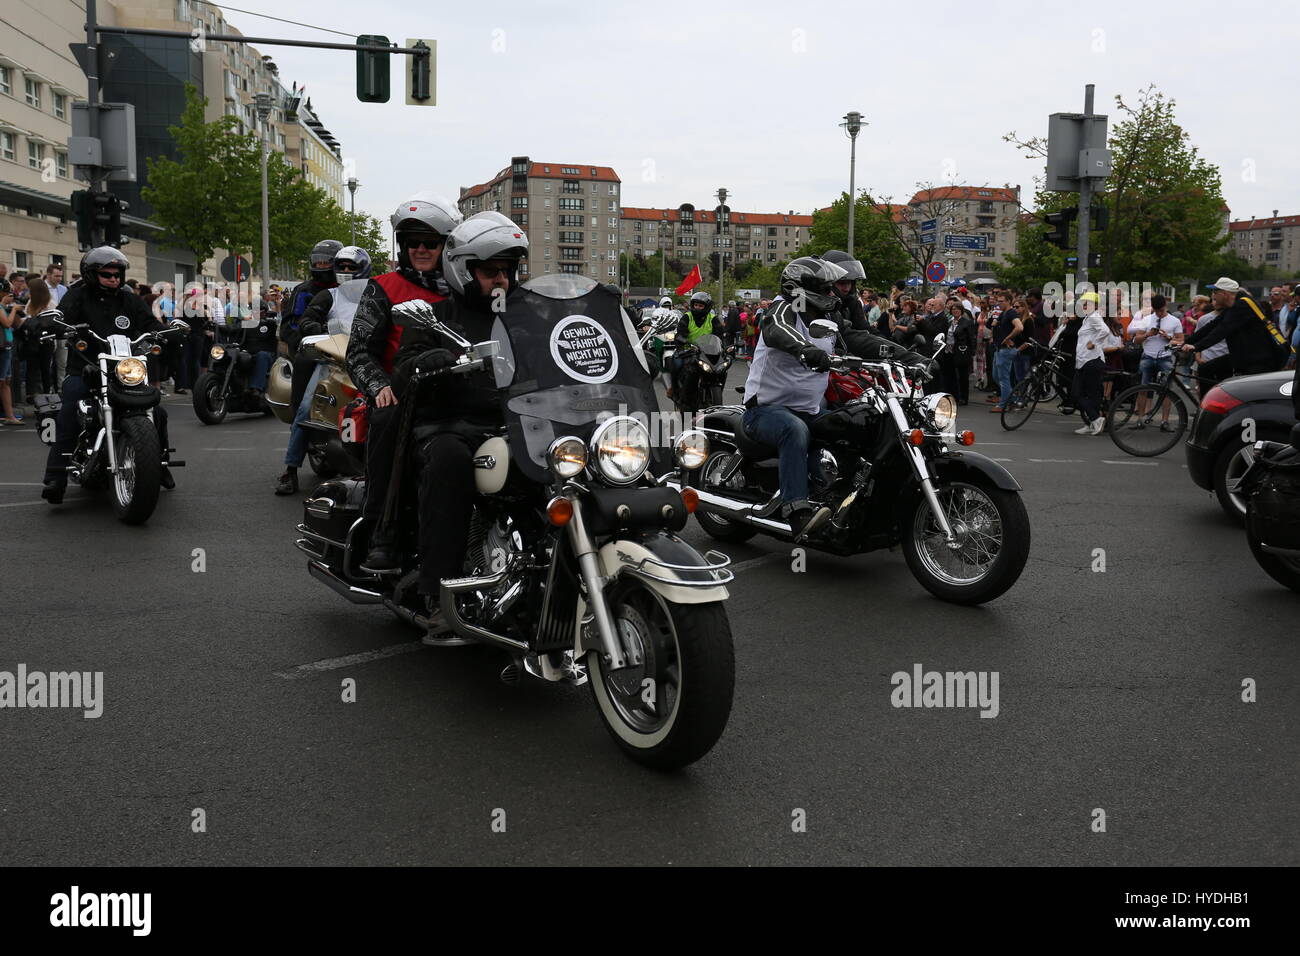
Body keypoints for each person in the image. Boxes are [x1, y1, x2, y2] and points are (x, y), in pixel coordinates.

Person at [385, 212, 528, 630]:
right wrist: (429, 360)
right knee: (448, 460)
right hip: (451, 425)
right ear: (464, 270)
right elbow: (403, 368)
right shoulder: (437, 315)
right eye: (489, 270)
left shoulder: (524, 318)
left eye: (506, 270)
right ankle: (439, 590)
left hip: (518, 423)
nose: (500, 279)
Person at [338, 194, 462, 542]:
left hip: (457, 388)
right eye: (412, 243)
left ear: (446, 246)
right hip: (402, 390)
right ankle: (382, 527)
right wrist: (380, 387)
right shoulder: (384, 287)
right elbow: (359, 350)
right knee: (387, 417)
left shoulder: (462, 287)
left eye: (430, 243)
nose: (420, 249)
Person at [38, 248, 175, 503]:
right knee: (73, 408)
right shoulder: (78, 297)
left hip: (124, 370)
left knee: (156, 411)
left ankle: (158, 465)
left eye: (117, 274)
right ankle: (55, 475)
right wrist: (55, 325)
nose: (113, 279)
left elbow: (149, 323)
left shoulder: (129, 299)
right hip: (85, 368)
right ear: (91, 275)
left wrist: (166, 332)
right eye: (106, 274)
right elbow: (62, 317)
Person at [742, 256, 846, 542]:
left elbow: (860, 337)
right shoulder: (781, 309)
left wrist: (908, 355)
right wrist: (806, 349)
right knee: (793, 429)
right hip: (764, 410)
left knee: (851, 422)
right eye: (825, 289)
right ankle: (797, 510)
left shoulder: (828, 318)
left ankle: (837, 494)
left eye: (830, 288)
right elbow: (777, 331)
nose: (831, 294)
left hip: (808, 409)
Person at [1181, 277, 1289, 377]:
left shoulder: (1243, 305)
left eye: (1215, 292)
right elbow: (1212, 325)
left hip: (1258, 360)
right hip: (1245, 356)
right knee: (1205, 369)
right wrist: (1187, 341)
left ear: (1225, 293)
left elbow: (1222, 330)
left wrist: (1197, 347)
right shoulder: (1234, 304)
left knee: (1240, 391)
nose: (1212, 296)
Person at [668, 290, 719, 399]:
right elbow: (680, 333)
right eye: (695, 305)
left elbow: (720, 335)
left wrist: (724, 346)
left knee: (721, 369)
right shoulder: (687, 317)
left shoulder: (713, 318)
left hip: (707, 352)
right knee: (676, 363)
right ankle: (674, 389)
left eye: (700, 305)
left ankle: (716, 389)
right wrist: (683, 343)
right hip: (687, 350)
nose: (697, 307)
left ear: (706, 307)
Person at [1071, 292, 1109, 435]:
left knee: (1079, 393)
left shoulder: (1094, 317)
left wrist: (1094, 343)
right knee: (1087, 394)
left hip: (1092, 361)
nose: (1083, 305)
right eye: (1083, 303)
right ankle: (1091, 422)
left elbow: (1105, 331)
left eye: (1087, 303)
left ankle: (1095, 419)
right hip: (1084, 361)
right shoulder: (1087, 318)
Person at [989, 292, 1023, 412]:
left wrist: (1008, 338)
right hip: (999, 349)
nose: (998, 303)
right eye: (998, 301)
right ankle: (1012, 399)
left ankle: (1003, 405)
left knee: (1003, 378)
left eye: (1001, 301)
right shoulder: (1003, 313)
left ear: (1009, 301)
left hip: (1006, 350)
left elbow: (1019, 327)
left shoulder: (1011, 312)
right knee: (996, 377)